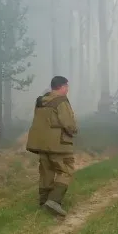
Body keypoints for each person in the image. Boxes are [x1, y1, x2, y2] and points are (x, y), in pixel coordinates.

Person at [26, 76, 78, 216]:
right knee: (66, 169)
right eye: (67, 86)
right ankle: (54, 201)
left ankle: (44, 202)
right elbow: (68, 122)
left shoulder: (41, 101)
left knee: (46, 172)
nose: (67, 89)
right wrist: (74, 130)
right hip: (58, 144)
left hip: (41, 143)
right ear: (61, 87)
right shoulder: (61, 101)